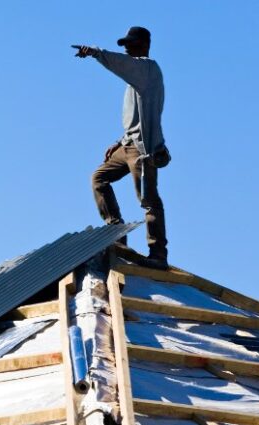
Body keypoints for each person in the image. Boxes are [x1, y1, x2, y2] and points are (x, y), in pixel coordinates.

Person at [74, 26, 170, 269]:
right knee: (99, 178)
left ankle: (157, 253)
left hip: (143, 149)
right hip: (127, 144)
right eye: (125, 44)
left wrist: (95, 52)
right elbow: (136, 117)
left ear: (144, 44)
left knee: (148, 199)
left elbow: (119, 63)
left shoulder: (146, 68)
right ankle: (117, 231)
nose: (126, 48)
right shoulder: (136, 76)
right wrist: (119, 141)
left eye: (131, 44)